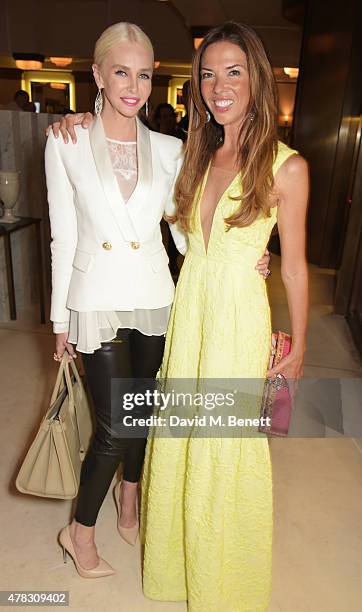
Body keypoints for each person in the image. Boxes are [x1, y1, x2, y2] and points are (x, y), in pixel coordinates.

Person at [46, 21, 271, 581]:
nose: (133, 86)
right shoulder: (65, 140)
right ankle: (79, 530)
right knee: (114, 426)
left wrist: (240, 253)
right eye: (121, 71)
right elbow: (63, 236)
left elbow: (183, 227)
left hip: (153, 297)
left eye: (144, 74)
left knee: (142, 412)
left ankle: (130, 498)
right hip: (94, 298)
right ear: (96, 73)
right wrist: (58, 318)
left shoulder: (171, 149)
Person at [140, 21, 309, 612]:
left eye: (233, 71)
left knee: (225, 445)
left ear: (257, 79)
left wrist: (300, 348)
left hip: (238, 319)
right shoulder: (196, 150)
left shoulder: (287, 166)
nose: (219, 85)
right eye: (208, 74)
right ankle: (175, 564)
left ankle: (222, 583)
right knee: (183, 434)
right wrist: (80, 119)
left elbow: (294, 269)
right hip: (191, 313)